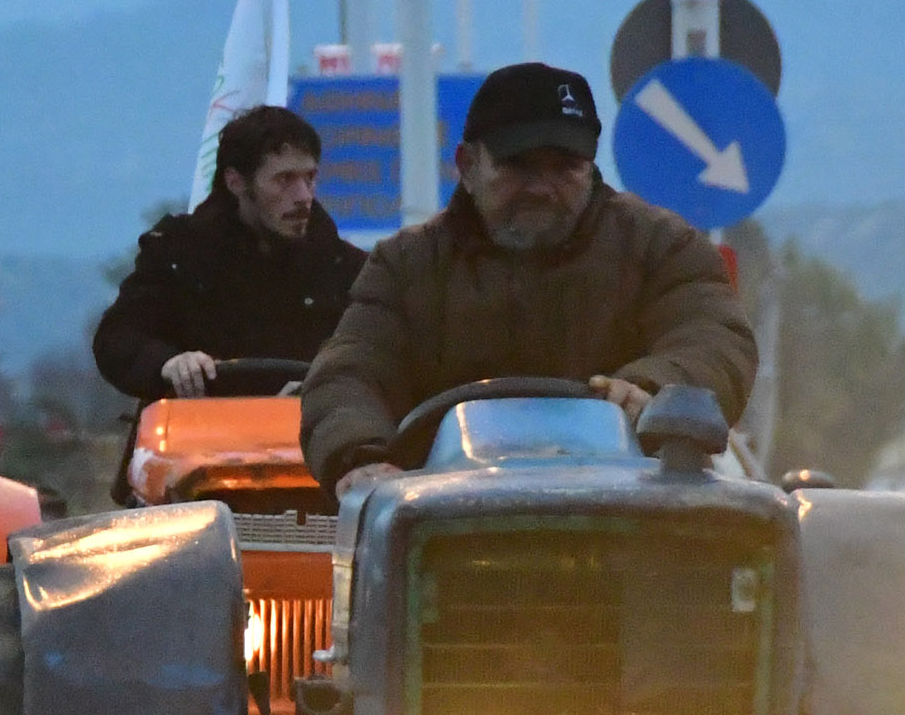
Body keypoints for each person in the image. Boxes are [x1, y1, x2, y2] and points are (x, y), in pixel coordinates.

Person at [298, 60, 756, 494]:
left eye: (565, 168)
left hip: (631, 517)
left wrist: (651, 391)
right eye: (518, 166)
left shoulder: (663, 248)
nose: (541, 187)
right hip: (445, 525)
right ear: (467, 165)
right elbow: (351, 370)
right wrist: (359, 455)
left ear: (591, 166)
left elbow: (714, 338)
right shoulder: (405, 266)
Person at [94, 103, 366, 401]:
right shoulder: (180, 257)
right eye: (284, 179)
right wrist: (169, 364)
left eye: (310, 178)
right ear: (235, 182)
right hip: (196, 437)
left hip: (313, 437)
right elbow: (117, 338)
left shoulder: (346, 270)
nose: (303, 196)